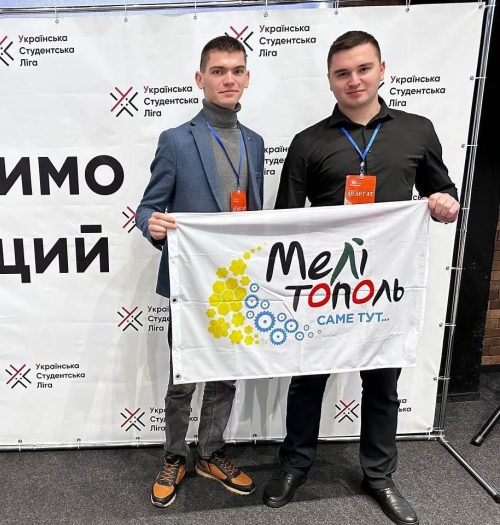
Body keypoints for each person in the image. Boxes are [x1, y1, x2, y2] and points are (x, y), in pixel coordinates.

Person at [263, 31, 459, 525]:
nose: (354, 80)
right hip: (324, 286)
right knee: (308, 378)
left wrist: (444, 204)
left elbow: (443, 193)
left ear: (381, 69)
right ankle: (295, 464)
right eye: (342, 73)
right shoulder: (308, 142)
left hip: (385, 286)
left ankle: (379, 476)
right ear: (330, 81)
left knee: (383, 383)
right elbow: (285, 219)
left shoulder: (417, 130)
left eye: (363, 69)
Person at [136, 35, 265, 508]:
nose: (228, 79)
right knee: (183, 376)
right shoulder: (176, 140)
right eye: (218, 71)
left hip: (235, 282)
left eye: (236, 70)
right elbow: (147, 208)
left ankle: (211, 452)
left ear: (246, 78)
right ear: (200, 78)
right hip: (189, 283)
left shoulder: (255, 143)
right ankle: (175, 455)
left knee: (225, 372)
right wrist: (152, 224)